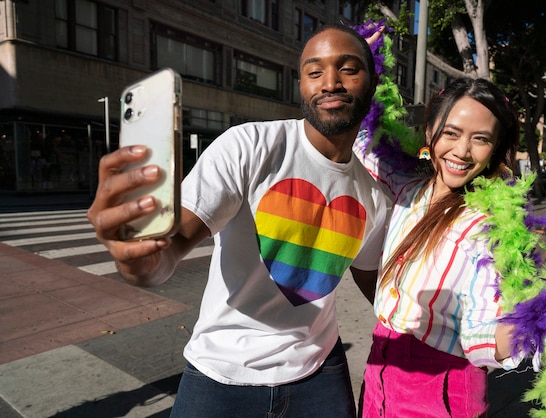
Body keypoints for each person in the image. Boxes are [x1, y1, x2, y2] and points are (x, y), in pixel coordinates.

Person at [87, 24, 388, 418]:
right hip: (219, 374)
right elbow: (171, 248)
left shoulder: (374, 196)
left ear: (371, 82)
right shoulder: (248, 146)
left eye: (348, 68)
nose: (330, 82)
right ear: (300, 85)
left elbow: (383, 294)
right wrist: (140, 261)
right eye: (314, 72)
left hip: (319, 375)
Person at [354, 77, 522, 417]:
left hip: (439, 392)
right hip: (378, 375)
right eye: (452, 133)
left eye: (480, 139)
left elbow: (479, 336)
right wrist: (367, 63)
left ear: (495, 148)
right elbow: (363, 144)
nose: (461, 151)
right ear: (430, 132)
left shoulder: (489, 227)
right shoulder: (408, 187)